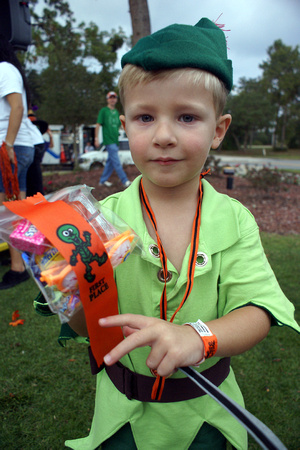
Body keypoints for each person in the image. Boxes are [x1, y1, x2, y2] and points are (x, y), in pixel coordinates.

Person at [63, 19, 300, 449]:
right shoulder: (100, 219)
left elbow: (259, 310)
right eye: (145, 117)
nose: (164, 136)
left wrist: (198, 337)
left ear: (219, 129)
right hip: (123, 421)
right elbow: (89, 326)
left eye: (187, 116)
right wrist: (68, 287)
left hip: (205, 418)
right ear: (125, 124)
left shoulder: (235, 220)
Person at [0, 35, 34, 289]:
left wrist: (8, 144)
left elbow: (17, 107)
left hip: (10, 150)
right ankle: (21, 264)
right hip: (12, 148)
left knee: (9, 213)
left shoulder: (4, 69)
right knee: (14, 212)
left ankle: (18, 266)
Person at [95, 91, 131, 188]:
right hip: (109, 141)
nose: (112, 99)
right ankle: (125, 181)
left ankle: (102, 181)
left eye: (114, 97)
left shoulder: (116, 112)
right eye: (110, 97)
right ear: (107, 99)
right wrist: (96, 138)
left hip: (115, 141)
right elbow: (98, 125)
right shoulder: (104, 111)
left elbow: (120, 126)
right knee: (116, 162)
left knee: (110, 163)